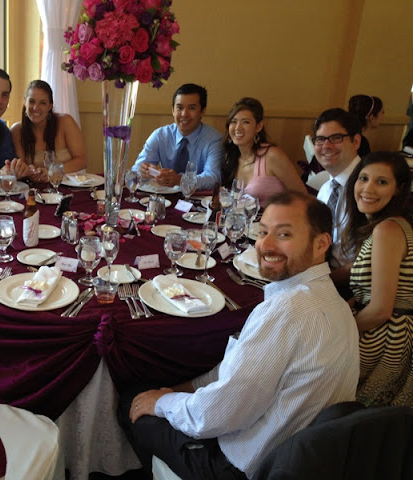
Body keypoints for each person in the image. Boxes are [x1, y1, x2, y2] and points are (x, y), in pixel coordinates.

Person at [118, 191, 359, 479]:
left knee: (131, 396)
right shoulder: (333, 302)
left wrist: (160, 402)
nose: (265, 245)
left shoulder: (288, 311)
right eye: (263, 231)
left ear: (321, 244)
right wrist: (182, 389)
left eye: (283, 234)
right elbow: (239, 375)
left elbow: (217, 415)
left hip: (244, 466)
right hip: (307, 458)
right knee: (163, 391)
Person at [341, 151, 413, 407]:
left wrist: (340, 333)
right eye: (363, 178)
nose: (368, 188)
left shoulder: (388, 229)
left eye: (382, 182)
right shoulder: (388, 225)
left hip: (386, 338)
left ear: (398, 189)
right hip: (382, 330)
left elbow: (381, 309)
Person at [133, 83, 223, 190]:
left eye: (192, 108)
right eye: (179, 107)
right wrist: (142, 172)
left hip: (197, 201)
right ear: (173, 110)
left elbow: (213, 178)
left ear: (202, 111)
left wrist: (180, 180)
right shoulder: (160, 135)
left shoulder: (214, 139)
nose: (184, 114)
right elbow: (134, 171)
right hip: (165, 199)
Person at [221, 97, 306, 206]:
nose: (238, 128)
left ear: (259, 126)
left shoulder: (271, 155)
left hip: (275, 219)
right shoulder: (232, 157)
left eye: (245, 122)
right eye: (233, 122)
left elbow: (303, 196)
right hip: (247, 220)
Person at [313, 108, 362, 269]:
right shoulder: (326, 189)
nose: (326, 145)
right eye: (320, 139)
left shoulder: (368, 191)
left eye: (336, 138)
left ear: (356, 141)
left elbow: (366, 264)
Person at [10, 80, 86, 182]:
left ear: (50, 106)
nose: (36, 107)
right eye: (31, 101)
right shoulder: (17, 130)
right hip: (35, 190)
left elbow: (82, 160)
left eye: (43, 103)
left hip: (68, 187)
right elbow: (21, 166)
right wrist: (29, 171)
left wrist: (53, 171)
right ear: (25, 102)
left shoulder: (66, 122)